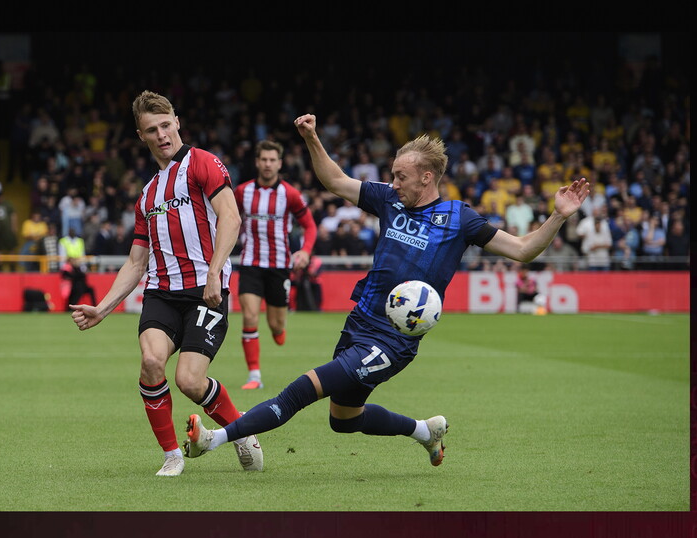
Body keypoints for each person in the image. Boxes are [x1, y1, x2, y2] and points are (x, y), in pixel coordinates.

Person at [182, 113, 590, 470]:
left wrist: (557, 215)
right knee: (343, 420)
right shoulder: (389, 200)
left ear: (427, 177)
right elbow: (335, 180)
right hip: (360, 322)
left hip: (392, 342)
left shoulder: (459, 219)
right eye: (392, 175)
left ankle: (213, 440)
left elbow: (522, 250)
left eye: (401, 176)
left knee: (303, 389)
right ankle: (423, 431)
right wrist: (311, 138)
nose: (392, 183)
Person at [67, 90, 262, 477]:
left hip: (206, 291)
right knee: (151, 361)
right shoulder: (146, 195)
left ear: (177, 123)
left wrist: (214, 272)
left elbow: (231, 217)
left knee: (189, 381)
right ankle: (172, 454)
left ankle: (239, 428)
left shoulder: (202, 163)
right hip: (161, 293)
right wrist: (103, 308)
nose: (161, 135)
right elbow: (137, 261)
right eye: (151, 130)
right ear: (142, 136)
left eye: (165, 125)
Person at [233, 140, 318, 389]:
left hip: (280, 265)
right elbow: (228, 218)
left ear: (279, 164)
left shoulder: (290, 194)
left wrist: (305, 251)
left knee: (276, 326)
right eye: (264, 160)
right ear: (257, 162)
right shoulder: (242, 192)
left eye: (272, 160)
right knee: (249, 316)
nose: (268, 164)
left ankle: (279, 330)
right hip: (250, 263)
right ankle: (254, 376)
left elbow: (310, 226)